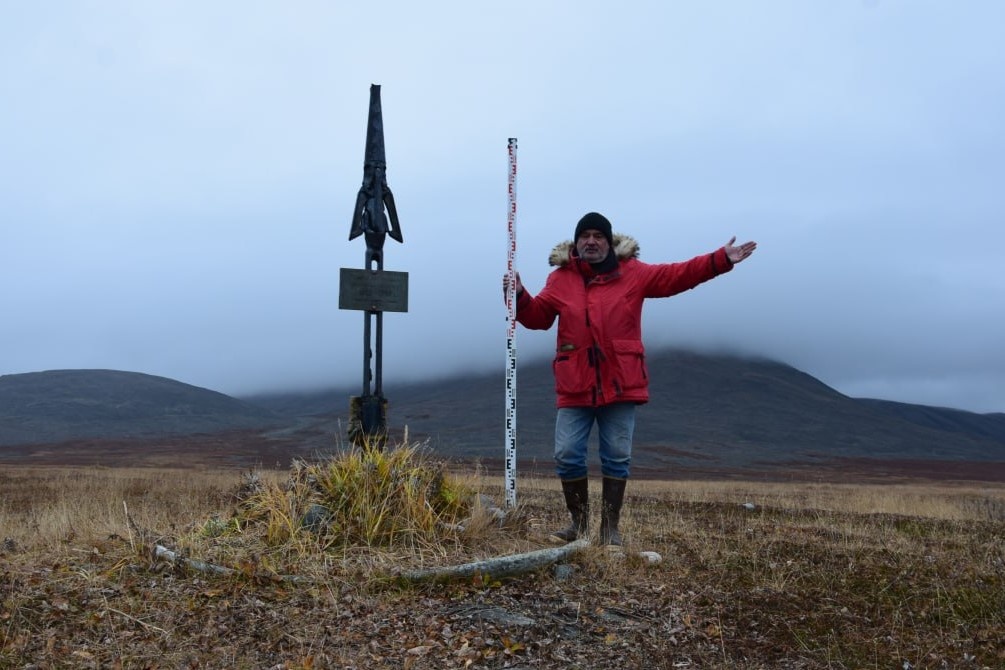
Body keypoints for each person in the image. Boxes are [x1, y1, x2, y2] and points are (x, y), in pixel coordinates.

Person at [503, 212, 756, 546]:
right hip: (575, 384)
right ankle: (579, 526)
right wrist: (520, 295)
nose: (591, 241)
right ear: (576, 242)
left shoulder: (633, 274)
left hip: (621, 383)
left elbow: (676, 276)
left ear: (609, 241)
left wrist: (719, 260)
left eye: (598, 236)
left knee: (617, 455)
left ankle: (610, 530)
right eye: (585, 236)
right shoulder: (560, 278)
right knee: (567, 454)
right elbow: (538, 318)